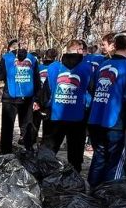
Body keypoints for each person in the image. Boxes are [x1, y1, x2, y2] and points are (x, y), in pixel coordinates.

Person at [87, 30, 126, 186]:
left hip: (96, 118)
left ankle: (93, 190)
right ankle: (110, 196)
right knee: (116, 162)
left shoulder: (103, 65)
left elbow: (91, 88)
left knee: (99, 157)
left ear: (115, 44)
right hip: (117, 122)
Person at [37, 39, 94, 173]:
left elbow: (46, 92)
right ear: (79, 50)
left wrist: (42, 106)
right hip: (78, 116)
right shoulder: (88, 68)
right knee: (75, 152)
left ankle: (44, 175)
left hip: (56, 115)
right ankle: (74, 180)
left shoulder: (53, 67)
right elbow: (91, 93)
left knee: (49, 149)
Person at [0, 39, 41, 154]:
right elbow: (37, 80)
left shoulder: (7, 58)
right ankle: (29, 151)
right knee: (26, 126)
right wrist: (36, 99)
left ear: (11, 48)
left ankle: (6, 154)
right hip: (27, 98)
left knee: (7, 128)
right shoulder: (32, 59)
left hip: (10, 98)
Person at [35, 48, 59, 142]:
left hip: (38, 97)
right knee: (48, 125)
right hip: (50, 99)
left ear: (45, 55)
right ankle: (45, 144)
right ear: (56, 56)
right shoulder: (58, 68)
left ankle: (31, 144)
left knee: (35, 122)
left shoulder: (39, 67)